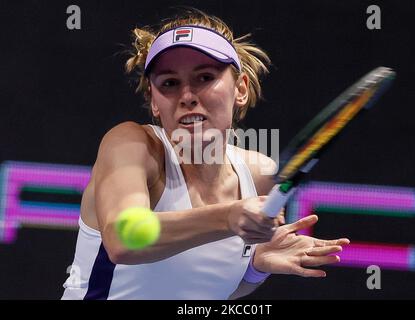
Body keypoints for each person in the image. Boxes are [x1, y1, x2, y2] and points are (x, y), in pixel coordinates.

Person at [62, 8, 349, 300]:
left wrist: (255, 270)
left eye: (204, 77)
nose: (187, 95)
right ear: (155, 103)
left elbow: (200, 289)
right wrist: (227, 217)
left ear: (241, 89)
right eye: (170, 83)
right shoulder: (131, 145)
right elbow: (123, 240)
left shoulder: (260, 175)